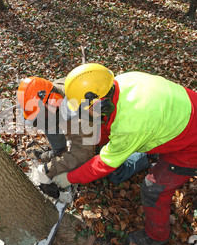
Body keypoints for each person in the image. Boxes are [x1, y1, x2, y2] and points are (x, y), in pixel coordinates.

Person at [51, 63, 197, 245]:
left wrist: (68, 178)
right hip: (180, 113)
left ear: (100, 104)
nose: (84, 115)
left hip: (190, 145)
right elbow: (106, 124)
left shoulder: (130, 123)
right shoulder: (121, 82)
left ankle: (155, 237)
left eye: (84, 109)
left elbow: (105, 164)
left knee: (153, 190)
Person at [17, 76, 150, 185]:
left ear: (53, 101)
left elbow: (82, 155)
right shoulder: (53, 91)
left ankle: (145, 155)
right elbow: (49, 123)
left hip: (124, 127)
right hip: (96, 125)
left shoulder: (78, 113)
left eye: (43, 114)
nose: (42, 119)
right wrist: (58, 151)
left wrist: (47, 170)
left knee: (113, 171)